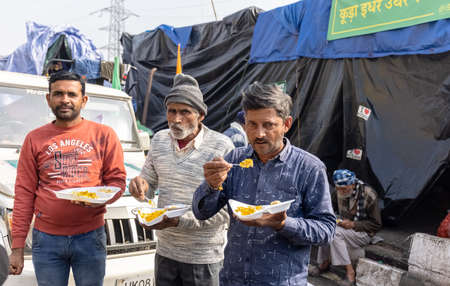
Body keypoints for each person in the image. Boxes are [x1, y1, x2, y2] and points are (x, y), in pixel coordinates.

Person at [192, 82, 336, 286]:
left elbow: (326, 230)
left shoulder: (309, 168)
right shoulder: (235, 159)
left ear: (286, 124)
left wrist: (284, 224)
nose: (259, 134)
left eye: (268, 125)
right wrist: (211, 185)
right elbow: (201, 213)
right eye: (252, 124)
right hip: (233, 280)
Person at [9, 71, 126, 286]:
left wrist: (100, 199)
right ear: (48, 99)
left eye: (71, 94)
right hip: (46, 240)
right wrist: (17, 247)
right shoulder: (34, 139)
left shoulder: (104, 135)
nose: (65, 100)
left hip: (90, 237)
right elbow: (24, 193)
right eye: (58, 93)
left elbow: (117, 182)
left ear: (84, 100)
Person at [129, 73, 234, 286]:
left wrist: (180, 220)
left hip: (203, 257)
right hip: (166, 252)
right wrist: (139, 186)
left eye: (185, 112)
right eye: (172, 111)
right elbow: (148, 186)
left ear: (201, 115)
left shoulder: (221, 147)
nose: (176, 119)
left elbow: (227, 208)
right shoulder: (158, 140)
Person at [312, 169, 382, 286]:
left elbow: (376, 225)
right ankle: (324, 263)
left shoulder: (369, 195)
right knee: (326, 227)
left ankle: (350, 272)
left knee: (334, 233)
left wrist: (354, 224)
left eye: (345, 189)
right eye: (339, 189)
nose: (342, 192)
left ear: (353, 184)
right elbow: (330, 209)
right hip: (344, 228)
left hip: (363, 232)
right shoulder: (338, 192)